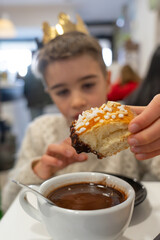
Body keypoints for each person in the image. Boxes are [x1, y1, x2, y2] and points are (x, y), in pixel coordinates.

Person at [2, 32, 160, 213]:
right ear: (50, 94)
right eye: (62, 92)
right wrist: (40, 169)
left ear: (107, 81)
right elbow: (7, 204)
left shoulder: (132, 125)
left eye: (88, 85)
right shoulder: (39, 131)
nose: (77, 101)